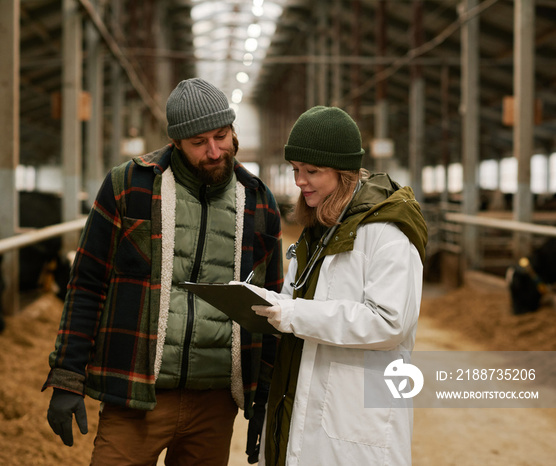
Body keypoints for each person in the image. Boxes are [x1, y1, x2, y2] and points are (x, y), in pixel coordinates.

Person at [43, 77, 283, 465]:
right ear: (175, 142)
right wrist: (67, 375)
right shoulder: (130, 186)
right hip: (135, 395)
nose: (214, 151)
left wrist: (263, 396)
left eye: (222, 136)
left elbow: (269, 307)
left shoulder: (258, 202)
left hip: (215, 401)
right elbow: (87, 283)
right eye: (198, 143)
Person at [242, 106, 427, 465]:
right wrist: (265, 302)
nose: (299, 181)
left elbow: (389, 322)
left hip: (354, 420)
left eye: (312, 171)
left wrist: (291, 313)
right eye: (296, 170)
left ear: (344, 173)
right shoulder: (320, 229)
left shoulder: (386, 233)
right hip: (301, 398)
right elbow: (302, 302)